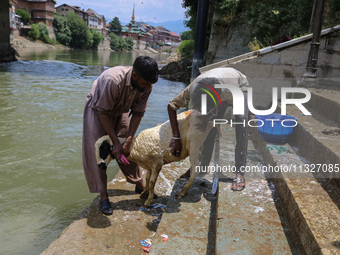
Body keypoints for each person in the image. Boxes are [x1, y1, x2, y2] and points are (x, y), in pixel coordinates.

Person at [82, 56, 159, 215]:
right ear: (135, 75)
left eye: (150, 84)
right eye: (145, 83)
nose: (148, 87)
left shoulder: (146, 85)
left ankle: (139, 184)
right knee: (99, 153)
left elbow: (137, 113)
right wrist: (115, 142)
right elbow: (104, 113)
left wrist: (129, 138)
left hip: (120, 109)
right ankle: (103, 195)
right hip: (98, 110)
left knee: (128, 149)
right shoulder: (113, 80)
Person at [167, 67, 249, 191]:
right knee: (209, 127)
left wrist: (210, 114)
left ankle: (239, 173)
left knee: (242, 121)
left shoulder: (227, 90)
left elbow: (225, 102)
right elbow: (171, 106)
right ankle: (202, 166)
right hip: (217, 86)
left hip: (238, 86)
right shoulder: (192, 89)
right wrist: (176, 136)